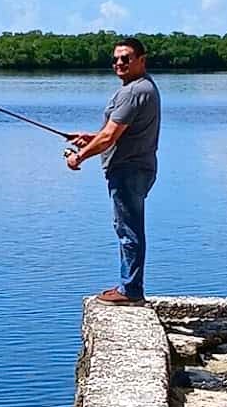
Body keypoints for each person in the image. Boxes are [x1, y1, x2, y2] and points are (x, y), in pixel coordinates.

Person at [64, 37, 161, 305]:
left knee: (128, 230)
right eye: (116, 59)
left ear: (141, 60)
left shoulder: (133, 92)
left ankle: (130, 290)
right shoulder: (144, 87)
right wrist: (90, 138)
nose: (119, 63)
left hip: (129, 170)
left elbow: (109, 137)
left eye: (126, 58)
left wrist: (79, 157)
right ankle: (128, 285)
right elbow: (114, 133)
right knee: (128, 227)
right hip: (138, 167)